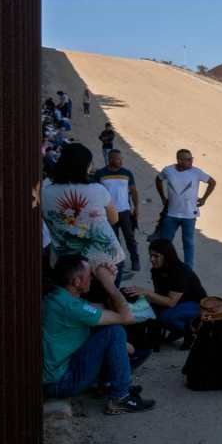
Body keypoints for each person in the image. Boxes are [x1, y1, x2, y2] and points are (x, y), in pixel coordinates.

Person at [42, 255, 155, 414]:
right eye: (90, 275)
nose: (93, 279)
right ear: (77, 282)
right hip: (61, 382)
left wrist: (109, 280)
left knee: (110, 332)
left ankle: (111, 383)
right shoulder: (71, 307)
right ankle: (120, 397)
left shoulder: (60, 297)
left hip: (60, 371)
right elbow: (126, 317)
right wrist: (109, 284)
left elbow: (106, 309)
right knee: (114, 331)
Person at [42, 142, 127, 285]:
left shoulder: (44, 193)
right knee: (107, 297)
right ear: (84, 166)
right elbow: (114, 219)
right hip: (107, 261)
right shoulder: (97, 189)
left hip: (69, 265)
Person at [124, 238, 207, 345]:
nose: (152, 259)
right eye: (151, 255)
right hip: (178, 302)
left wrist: (146, 293)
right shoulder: (156, 270)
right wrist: (137, 296)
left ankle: (190, 331)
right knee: (144, 310)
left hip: (196, 304)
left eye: (156, 256)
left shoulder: (180, 271)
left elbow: (170, 302)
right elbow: (159, 295)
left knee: (166, 317)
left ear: (167, 256)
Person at [154, 149, 216, 270]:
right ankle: (164, 266)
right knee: (165, 242)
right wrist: (162, 197)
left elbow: (212, 182)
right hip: (171, 214)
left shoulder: (196, 172)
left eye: (191, 158)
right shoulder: (168, 170)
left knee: (188, 243)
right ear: (179, 160)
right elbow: (158, 179)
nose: (191, 161)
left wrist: (204, 199)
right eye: (188, 159)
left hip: (189, 215)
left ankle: (188, 269)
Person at [93, 149, 141, 272]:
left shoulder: (127, 173)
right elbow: (95, 193)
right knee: (113, 239)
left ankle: (135, 260)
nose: (121, 161)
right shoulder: (100, 174)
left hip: (125, 211)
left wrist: (136, 208)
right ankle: (119, 262)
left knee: (130, 237)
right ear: (110, 159)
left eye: (121, 159)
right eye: (118, 159)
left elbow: (134, 191)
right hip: (108, 212)